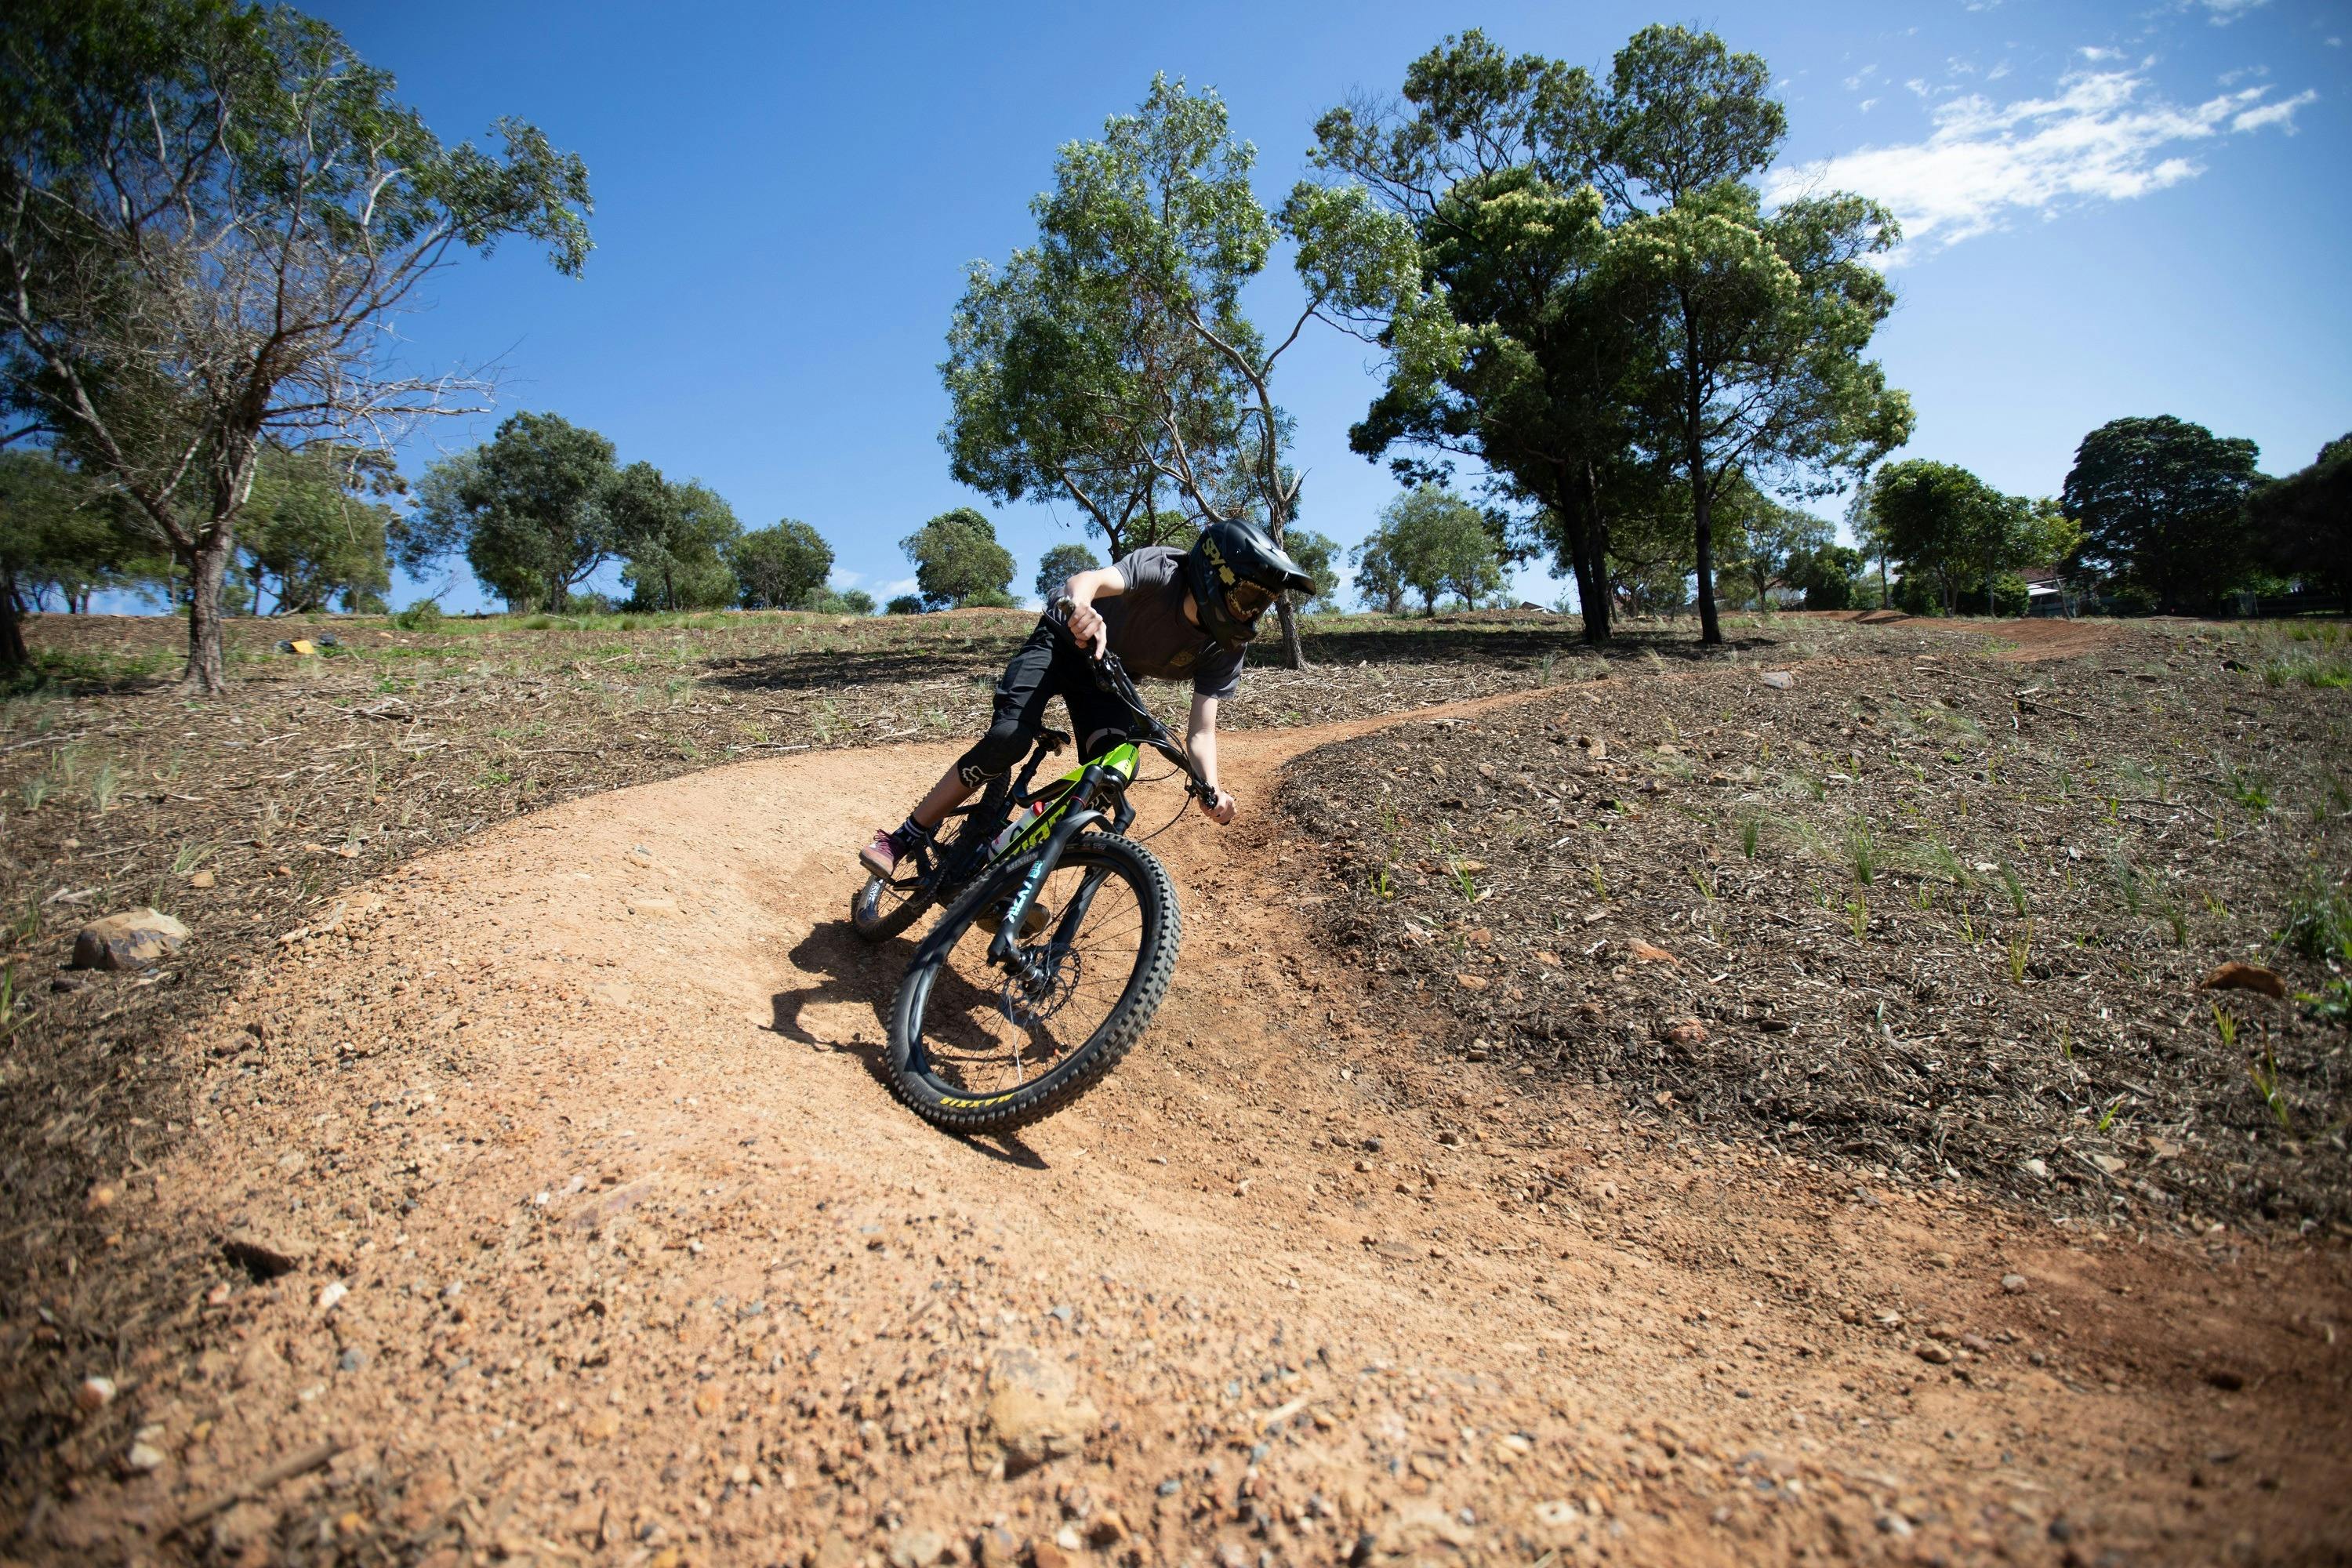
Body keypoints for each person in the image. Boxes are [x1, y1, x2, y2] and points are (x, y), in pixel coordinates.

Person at [858, 519, 1315, 877]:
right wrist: (1081, 609)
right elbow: (1088, 580)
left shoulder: (1224, 648)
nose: (1252, 614)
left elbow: (1201, 732)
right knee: (1009, 739)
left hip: (1108, 678)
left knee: (1114, 772)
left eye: (1261, 605)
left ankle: (1007, 874)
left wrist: (1211, 787)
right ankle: (902, 837)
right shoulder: (1164, 570)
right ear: (1217, 575)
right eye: (1249, 597)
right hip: (1062, 642)